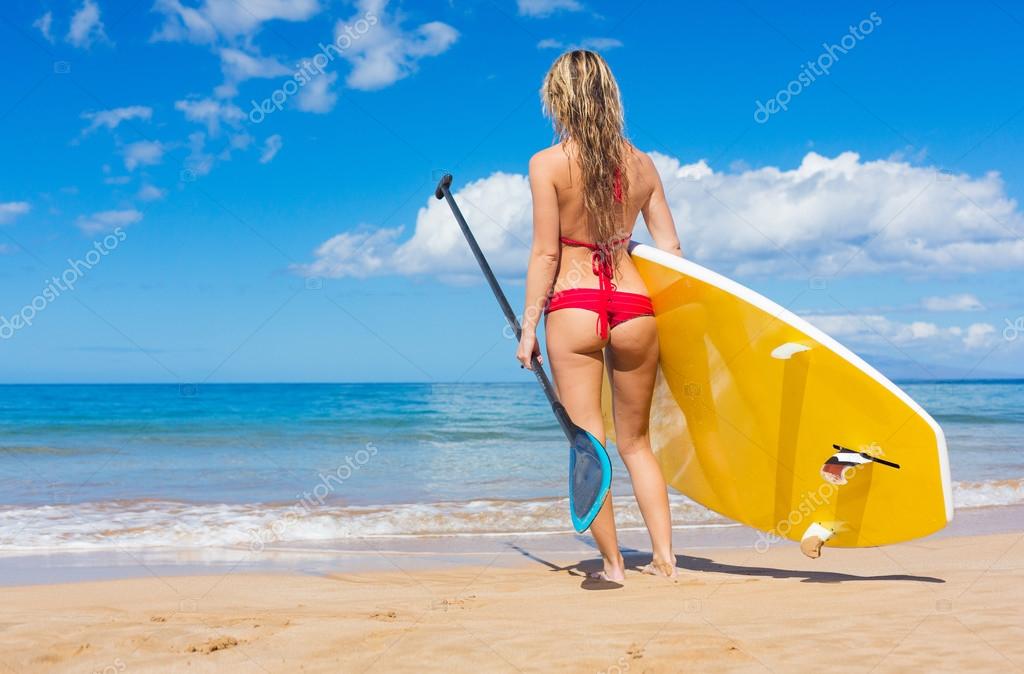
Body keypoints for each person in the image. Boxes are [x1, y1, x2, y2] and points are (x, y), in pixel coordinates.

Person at [516, 50, 684, 581]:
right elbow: (672, 252)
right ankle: (664, 560)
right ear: (610, 96)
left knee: (590, 442)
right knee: (637, 442)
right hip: (636, 306)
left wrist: (527, 327)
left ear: (558, 100)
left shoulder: (547, 165)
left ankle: (613, 565)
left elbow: (546, 252)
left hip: (573, 304)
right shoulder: (643, 164)